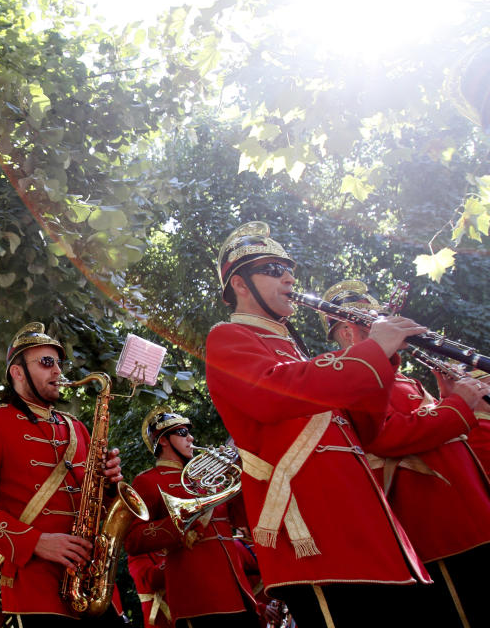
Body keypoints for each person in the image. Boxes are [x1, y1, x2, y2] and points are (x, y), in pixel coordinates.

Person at [202, 221, 465, 627]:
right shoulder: (227, 337)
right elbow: (276, 394)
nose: (289, 277)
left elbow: (368, 431)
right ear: (239, 283)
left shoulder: (298, 351)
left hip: (366, 525)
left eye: (289, 268)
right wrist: (371, 353)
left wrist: (383, 361)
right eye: (273, 269)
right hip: (317, 531)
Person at [322, 280, 490, 628]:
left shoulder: (401, 377)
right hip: (437, 523)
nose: (380, 323)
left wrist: (449, 397)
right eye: (366, 318)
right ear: (344, 330)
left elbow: (437, 429)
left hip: (470, 508)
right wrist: (457, 406)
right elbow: (387, 437)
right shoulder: (345, 373)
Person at [0, 322, 125, 627]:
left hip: (94, 586)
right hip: (34, 588)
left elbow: (95, 506)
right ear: (17, 372)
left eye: (59, 362)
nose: (58, 371)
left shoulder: (79, 428)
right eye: (46, 362)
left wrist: (110, 486)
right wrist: (36, 542)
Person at [124, 408, 264, 628]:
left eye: (189, 432)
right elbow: (133, 539)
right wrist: (180, 528)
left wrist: (240, 474)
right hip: (198, 597)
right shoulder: (148, 482)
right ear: (163, 441)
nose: (190, 438)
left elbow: (241, 521)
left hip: (240, 592)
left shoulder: (207, 477)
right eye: (182, 432)